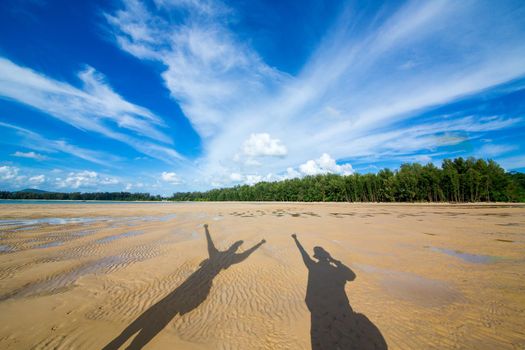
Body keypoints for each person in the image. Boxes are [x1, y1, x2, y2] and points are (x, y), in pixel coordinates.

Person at [103, 224, 265, 350]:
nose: (234, 248)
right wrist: (258, 243)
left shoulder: (218, 255)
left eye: (235, 246)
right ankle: (129, 345)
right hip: (197, 286)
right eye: (236, 246)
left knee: (161, 312)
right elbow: (241, 253)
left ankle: (128, 345)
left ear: (233, 247)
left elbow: (241, 253)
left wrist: (258, 244)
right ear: (234, 247)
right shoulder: (226, 257)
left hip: (193, 285)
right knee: (161, 313)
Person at [292, 234, 387, 350]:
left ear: (317, 257)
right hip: (340, 308)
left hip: (321, 310)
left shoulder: (314, 267)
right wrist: (335, 261)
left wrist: (296, 240)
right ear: (326, 257)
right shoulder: (336, 270)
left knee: (318, 338)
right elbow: (352, 276)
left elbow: (304, 254)